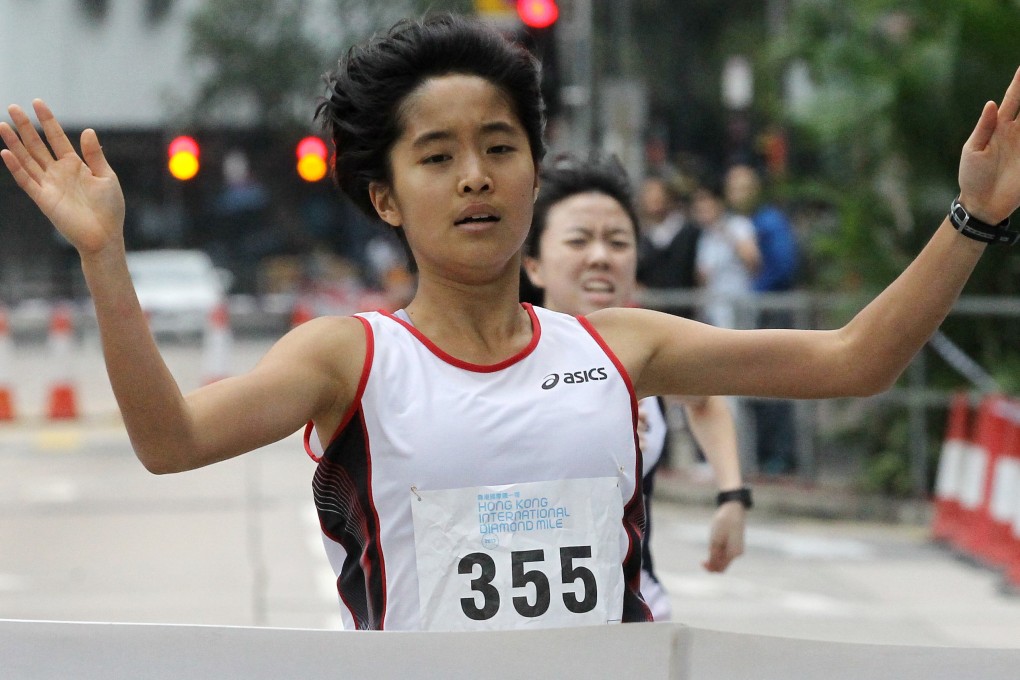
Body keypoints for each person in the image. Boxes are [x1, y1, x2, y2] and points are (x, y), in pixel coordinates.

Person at [2, 12, 1018, 632]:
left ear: (535, 166)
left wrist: (974, 214)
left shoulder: (618, 345)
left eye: (499, 145)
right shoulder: (349, 358)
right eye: (437, 156)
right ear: (386, 196)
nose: (476, 174)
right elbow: (169, 440)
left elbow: (857, 358)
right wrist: (103, 255)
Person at [521, 154, 746, 622]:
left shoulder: (649, 354)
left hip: (637, 617)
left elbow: (705, 400)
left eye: (618, 241)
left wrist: (731, 495)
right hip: (523, 623)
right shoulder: (499, 360)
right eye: (579, 240)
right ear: (535, 265)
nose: (601, 256)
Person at [725, 163, 799, 474]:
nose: (739, 194)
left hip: (771, 310)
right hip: (751, 312)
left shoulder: (769, 221)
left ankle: (780, 456)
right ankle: (762, 453)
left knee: (776, 383)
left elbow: (784, 265)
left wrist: (755, 290)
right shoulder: (738, 223)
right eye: (733, 188)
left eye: (745, 187)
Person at [692, 176, 761, 330]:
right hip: (713, 311)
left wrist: (728, 236)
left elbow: (753, 261)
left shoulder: (738, 225)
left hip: (738, 307)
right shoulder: (705, 236)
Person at [635, 174, 701, 319]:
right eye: (649, 194)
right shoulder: (640, 237)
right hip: (652, 313)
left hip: (686, 311)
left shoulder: (690, 232)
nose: (654, 200)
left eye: (658, 194)